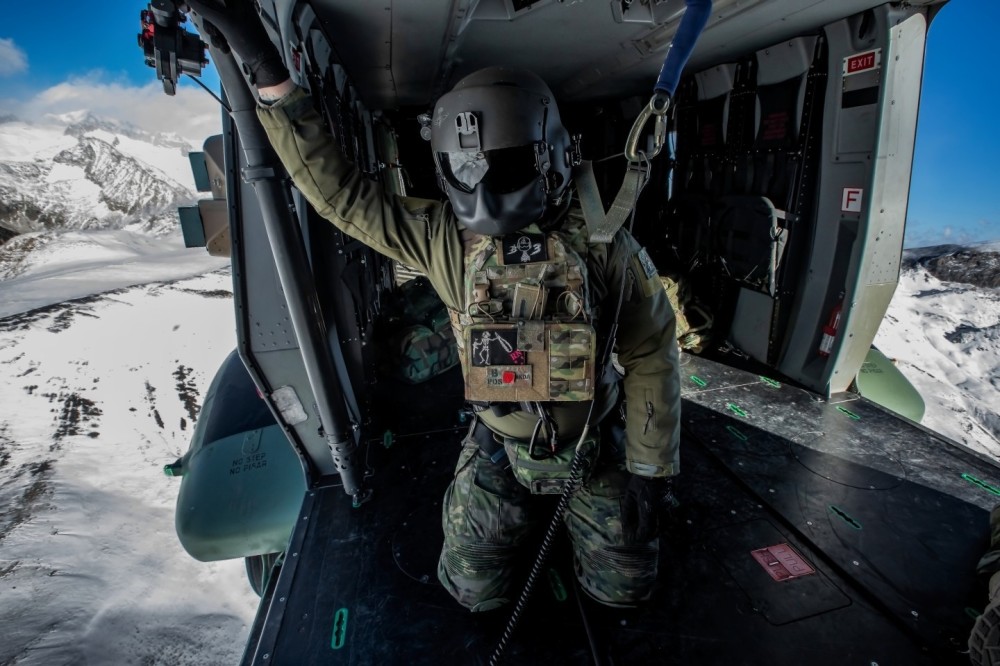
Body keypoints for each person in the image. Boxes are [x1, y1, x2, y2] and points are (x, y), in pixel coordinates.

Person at [184, 0, 682, 612]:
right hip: (500, 441)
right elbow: (338, 192)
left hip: (594, 446)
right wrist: (263, 68)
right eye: (471, 167)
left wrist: (649, 469)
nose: (486, 184)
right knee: (473, 591)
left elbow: (652, 351)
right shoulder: (445, 238)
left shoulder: (605, 244)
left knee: (626, 592)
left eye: (503, 164)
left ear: (547, 154)